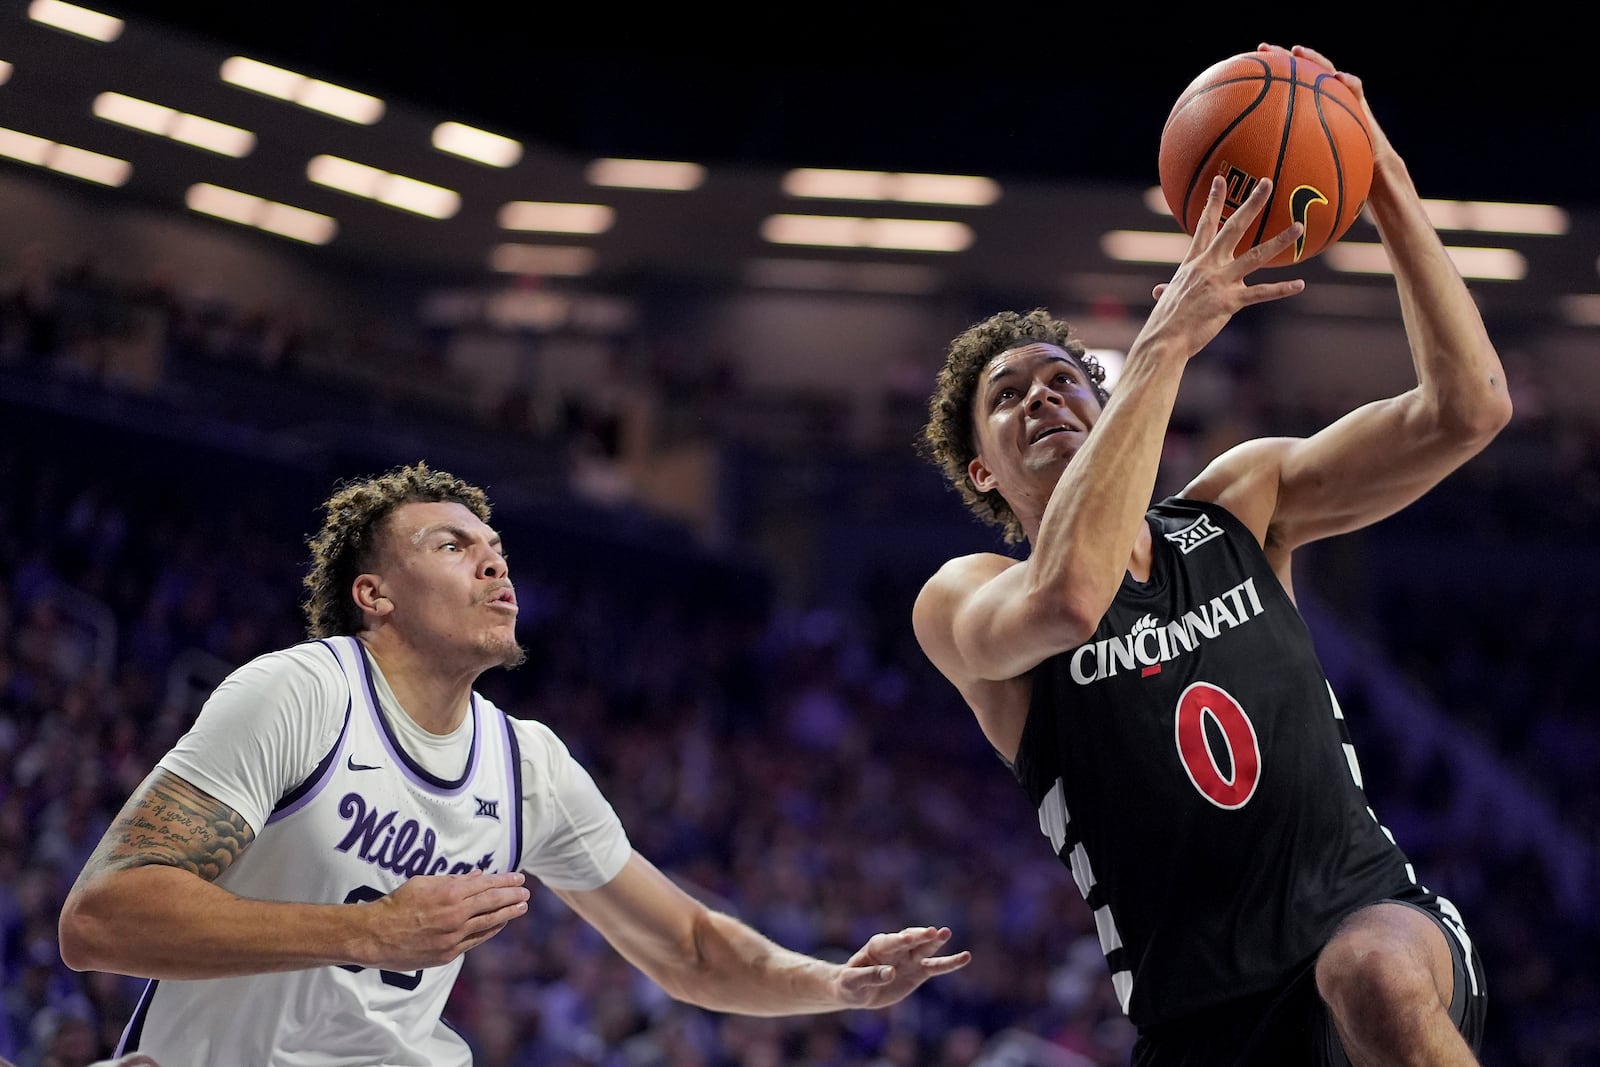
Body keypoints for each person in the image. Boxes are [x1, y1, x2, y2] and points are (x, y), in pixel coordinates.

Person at [911, 43, 1507, 1067]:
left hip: (1371, 923)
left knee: (1366, 974)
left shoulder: (1239, 502)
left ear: (1109, 411)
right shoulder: (966, 599)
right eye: (1008, 396)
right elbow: (1070, 598)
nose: (1044, 395)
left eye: (1064, 379)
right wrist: (1157, 346)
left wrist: (1386, 187)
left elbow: (1467, 410)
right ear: (979, 470)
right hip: (1200, 1024)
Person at [58, 462, 971, 1066]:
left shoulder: (524, 760)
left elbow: (689, 945)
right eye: (452, 545)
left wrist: (836, 982)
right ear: (372, 594)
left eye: (497, 550)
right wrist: (368, 934)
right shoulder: (303, 691)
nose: (495, 564)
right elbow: (101, 918)